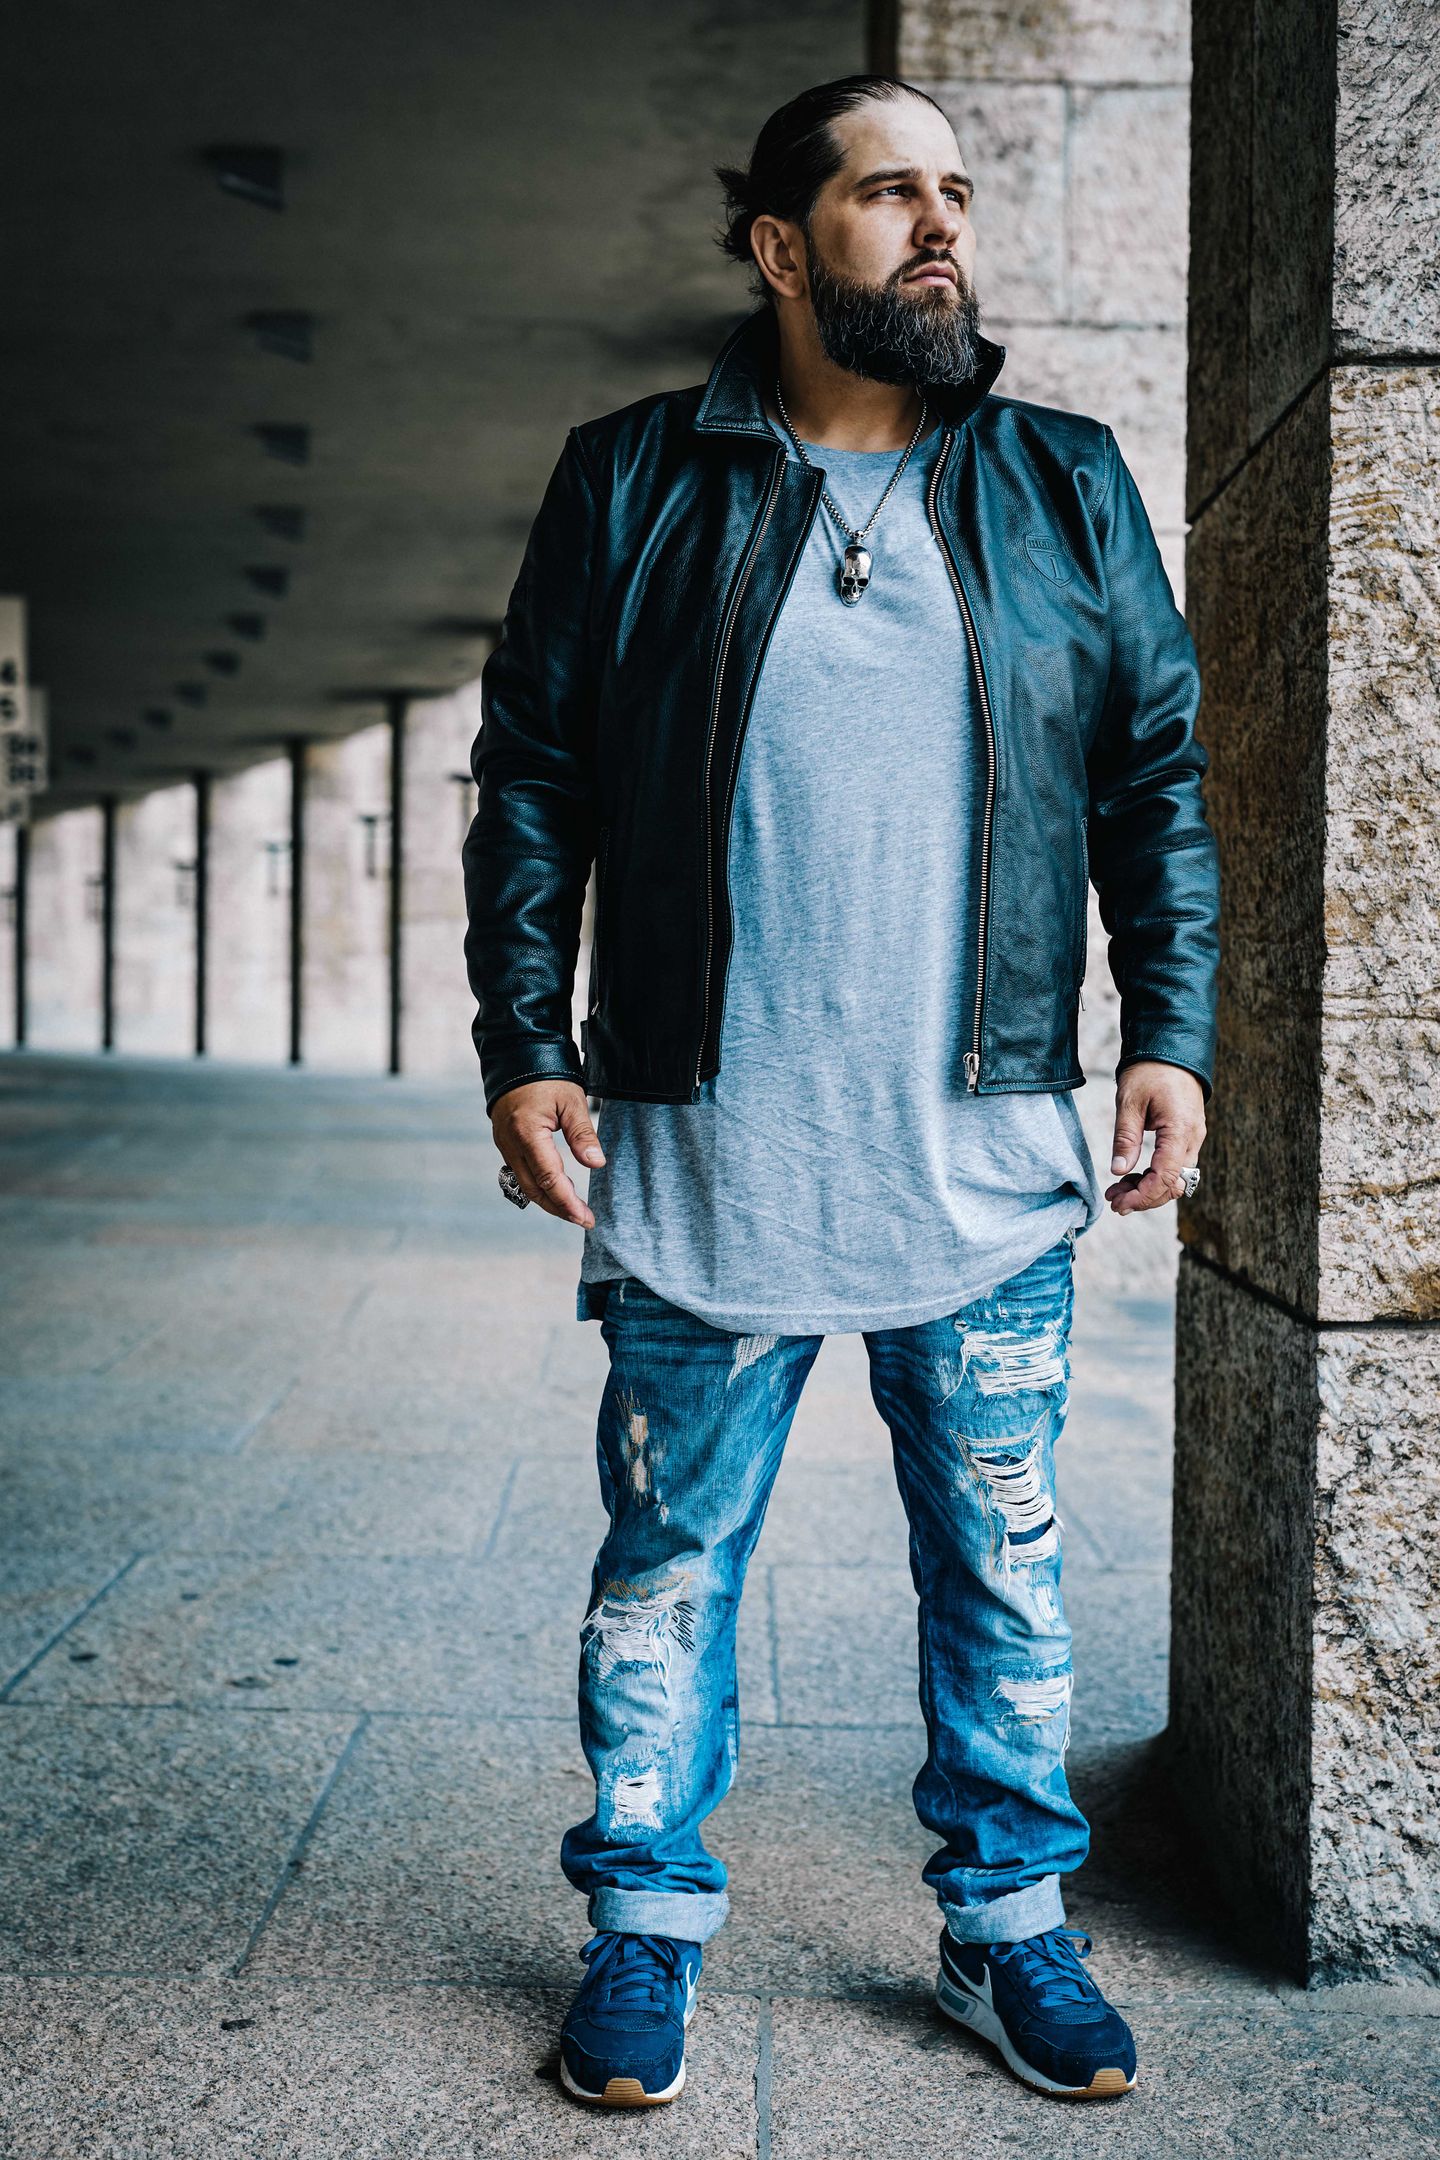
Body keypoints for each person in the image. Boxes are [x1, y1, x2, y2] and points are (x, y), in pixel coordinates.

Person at [462, 73, 1218, 2109]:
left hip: (984, 1148)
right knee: (666, 1569)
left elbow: (1152, 777)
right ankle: (644, 1926)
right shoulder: (633, 478)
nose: (942, 222)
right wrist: (525, 1043)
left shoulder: (1062, 481)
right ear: (781, 245)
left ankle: (1009, 1928)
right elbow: (532, 776)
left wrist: (1171, 1029)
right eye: (892, 193)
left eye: (958, 188)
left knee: (1003, 1567)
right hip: (703, 1144)